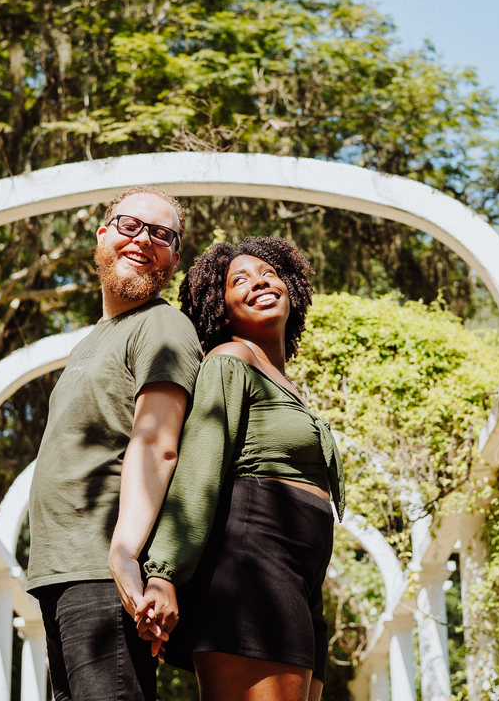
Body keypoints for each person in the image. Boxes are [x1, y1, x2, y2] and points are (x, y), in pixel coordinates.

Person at [116, 236, 345, 701]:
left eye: (268, 273)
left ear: (292, 288)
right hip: (254, 568)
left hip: (302, 577)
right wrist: (163, 573)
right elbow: (201, 466)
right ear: (219, 308)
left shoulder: (282, 381)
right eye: (239, 279)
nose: (258, 281)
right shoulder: (230, 361)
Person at [26, 187, 203, 701]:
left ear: (173, 257)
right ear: (103, 234)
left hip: (101, 570)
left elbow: (158, 444)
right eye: (130, 225)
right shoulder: (93, 339)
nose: (143, 240)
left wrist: (125, 555)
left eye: (162, 234)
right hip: (59, 573)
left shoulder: (163, 325)